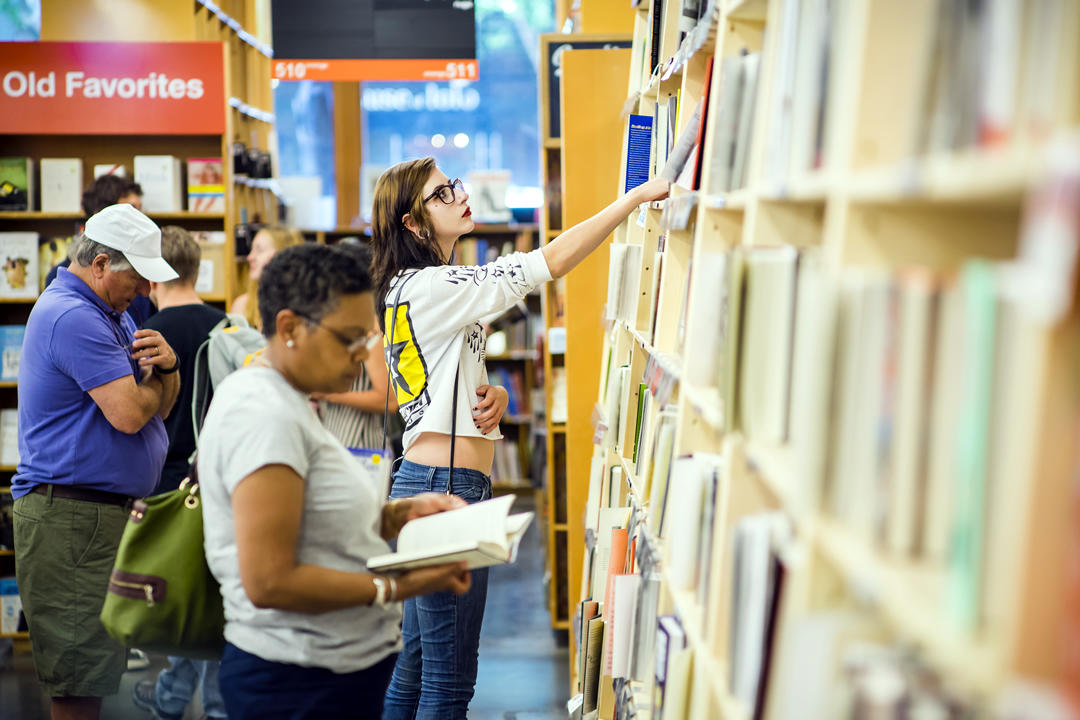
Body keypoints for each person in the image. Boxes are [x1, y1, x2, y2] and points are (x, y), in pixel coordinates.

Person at [370, 158, 669, 719]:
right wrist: (632, 200)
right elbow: (547, 262)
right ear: (413, 224)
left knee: (415, 670)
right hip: (445, 487)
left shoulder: (416, 285)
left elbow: (433, 379)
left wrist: (495, 395)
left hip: (429, 478)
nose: (459, 194)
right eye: (442, 193)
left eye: (453, 184)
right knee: (448, 681)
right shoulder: (434, 285)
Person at [198, 243, 473, 720]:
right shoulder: (263, 414)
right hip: (297, 684)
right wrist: (396, 587)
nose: (364, 355)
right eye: (349, 338)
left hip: (327, 674)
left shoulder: (289, 401)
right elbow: (269, 580)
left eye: (368, 336)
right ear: (289, 328)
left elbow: (313, 524)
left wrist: (400, 514)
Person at [13, 203, 181, 720]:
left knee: (92, 674)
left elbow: (158, 404)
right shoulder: (75, 316)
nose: (147, 290)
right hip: (73, 520)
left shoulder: (112, 312)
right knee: (79, 683)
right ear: (102, 263)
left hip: (93, 517)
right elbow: (133, 415)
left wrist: (167, 368)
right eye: (139, 276)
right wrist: (160, 381)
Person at [128, 225, 228, 720]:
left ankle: (199, 702)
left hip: (165, 477)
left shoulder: (148, 332)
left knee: (186, 595)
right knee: (210, 594)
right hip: (218, 473)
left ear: (152, 274)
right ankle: (178, 696)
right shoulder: (226, 325)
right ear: (197, 267)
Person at [310, 241, 399, 455]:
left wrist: (330, 394)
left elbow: (389, 400)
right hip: (336, 442)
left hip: (363, 449)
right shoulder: (340, 326)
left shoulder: (371, 329)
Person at [44, 174, 155, 328]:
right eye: (130, 211)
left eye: (140, 212)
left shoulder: (141, 270)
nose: (140, 221)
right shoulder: (60, 278)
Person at [229, 226, 304, 329]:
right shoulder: (243, 304)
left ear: (281, 254)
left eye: (259, 250)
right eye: (252, 250)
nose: (250, 257)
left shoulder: (304, 306)